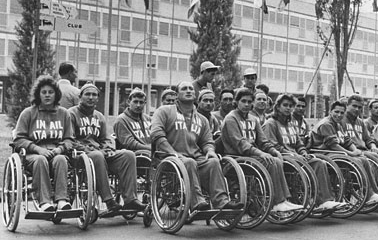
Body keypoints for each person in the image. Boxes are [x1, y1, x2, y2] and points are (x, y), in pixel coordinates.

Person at [151, 80, 242, 213]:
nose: (188, 90)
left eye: (190, 89)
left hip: (194, 157)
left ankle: (222, 202)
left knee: (213, 162)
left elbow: (207, 141)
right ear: (177, 95)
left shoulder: (202, 119)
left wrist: (210, 151)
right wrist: (173, 153)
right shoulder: (164, 111)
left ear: (195, 95)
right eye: (184, 89)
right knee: (189, 162)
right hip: (169, 156)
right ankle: (197, 202)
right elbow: (157, 134)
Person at [217, 88, 303, 213]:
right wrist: (261, 153)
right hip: (235, 158)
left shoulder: (253, 119)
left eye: (249, 102)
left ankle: (283, 200)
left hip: (251, 157)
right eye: (243, 101)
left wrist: (274, 151)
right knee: (271, 162)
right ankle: (277, 201)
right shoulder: (231, 119)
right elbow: (241, 144)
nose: (247, 104)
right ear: (236, 102)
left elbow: (263, 141)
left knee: (276, 160)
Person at [263, 93, 345, 212]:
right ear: (278, 106)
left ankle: (324, 200)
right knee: (310, 162)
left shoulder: (290, 124)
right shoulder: (271, 123)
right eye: (285, 105)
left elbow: (299, 143)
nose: (288, 108)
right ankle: (285, 200)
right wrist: (292, 154)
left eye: (291, 106)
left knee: (319, 163)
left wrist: (303, 152)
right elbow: (273, 145)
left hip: (295, 156)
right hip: (282, 157)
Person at [69, 83, 144, 213]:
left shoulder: (99, 116)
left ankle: (130, 199)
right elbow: (69, 140)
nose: (91, 97)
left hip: (100, 154)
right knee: (97, 156)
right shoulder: (71, 114)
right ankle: (109, 201)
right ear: (80, 97)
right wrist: (91, 150)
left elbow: (107, 138)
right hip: (81, 156)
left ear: (98, 98)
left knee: (128, 155)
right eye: (87, 94)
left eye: (94, 95)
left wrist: (108, 148)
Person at [310, 100, 378, 205]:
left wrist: (355, 150)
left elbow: (346, 141)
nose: (339, 115)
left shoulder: (337, 124)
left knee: (363, 159)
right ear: (330, 111)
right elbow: (333, 145)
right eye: (336, 112)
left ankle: (375, 192)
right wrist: (350, 154)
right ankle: (368, 194)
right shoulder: (326, 124)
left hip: (334, 152)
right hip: (324, 153)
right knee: (357, 160)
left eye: (342, 113)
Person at [13, 75, 74, 212]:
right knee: (40, 160)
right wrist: (37, 149)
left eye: (50, 92)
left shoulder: (64, 114)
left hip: (55, 153)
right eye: (44, 92)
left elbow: (69, 139)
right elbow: (18, 140)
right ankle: (44, 202)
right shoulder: (28, 113)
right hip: (33, 155)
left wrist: (60, 149)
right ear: (38, 94)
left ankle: (62, 200)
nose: (47, 95)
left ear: (56, 94)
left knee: (61, 159)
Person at [113, 88, 151, 154]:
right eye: (135, 102)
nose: (138, 105)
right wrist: (150, 148)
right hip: (133, 154)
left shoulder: (148, 119)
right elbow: (129, 143)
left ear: (145, 103)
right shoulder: (121, 120)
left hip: (150, 152)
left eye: (141, 102)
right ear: (128, 102)